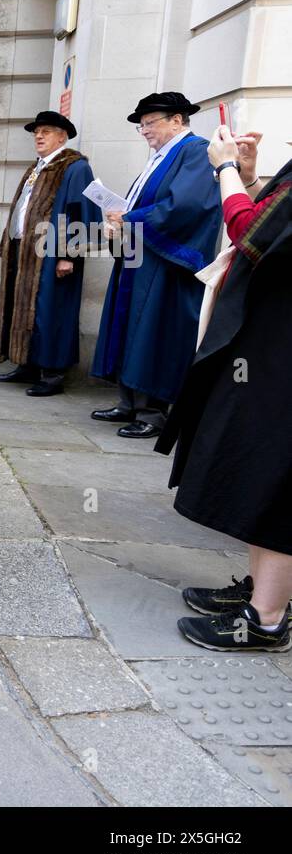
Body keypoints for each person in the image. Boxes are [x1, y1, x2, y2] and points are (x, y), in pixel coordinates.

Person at [162, 125, 292, 652]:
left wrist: (224, 170)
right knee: (266, 475)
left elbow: (249, 233)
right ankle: (263, 593)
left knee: (281, 483)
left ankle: (266, 618)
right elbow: (273, 224)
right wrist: (249, 174)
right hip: (274, 346)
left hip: (282, 353)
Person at [90, 91, 222, 438]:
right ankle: (130, 401)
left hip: (165, 261)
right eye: (142, 125)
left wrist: (129, 218)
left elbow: (186, 206)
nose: (144, 130)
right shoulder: (162, 156)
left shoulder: (195, 151)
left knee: (154, 331)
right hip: (142, 256)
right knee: (133, 328)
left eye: (150, 123)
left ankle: (153, 413)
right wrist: (120, 219)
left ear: (177, 120)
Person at [0, 110, 99, 395]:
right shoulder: (37, 166)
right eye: (37, 131)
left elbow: (77, 210)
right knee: (24, 310)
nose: (39, 136)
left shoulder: (74, 167)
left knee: (52, 311)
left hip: (53, 253)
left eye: (46, 131)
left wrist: (69, 254)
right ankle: (27, 363)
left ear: (62, 136)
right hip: (26, 251)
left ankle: (52, 374)